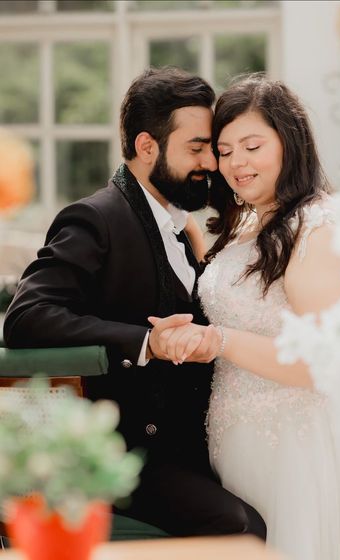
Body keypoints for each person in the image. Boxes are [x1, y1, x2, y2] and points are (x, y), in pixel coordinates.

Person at [151, 75, 340, 559]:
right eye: (225, 150)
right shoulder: (248, 222)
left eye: (252, 146)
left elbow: (323, 364)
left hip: (303, 453)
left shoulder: (317, 227)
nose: (236, 163)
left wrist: (217, 341)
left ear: (289, 142)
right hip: (240, 444)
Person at [3, 67, 266, 540]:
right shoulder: (95, 218)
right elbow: (26, 317)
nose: (211, 161)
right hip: (131, 456)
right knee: (242, 526)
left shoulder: (178, 223)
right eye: (196, 147)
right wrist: (146, 342)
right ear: (148, 147)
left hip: (200, 444)